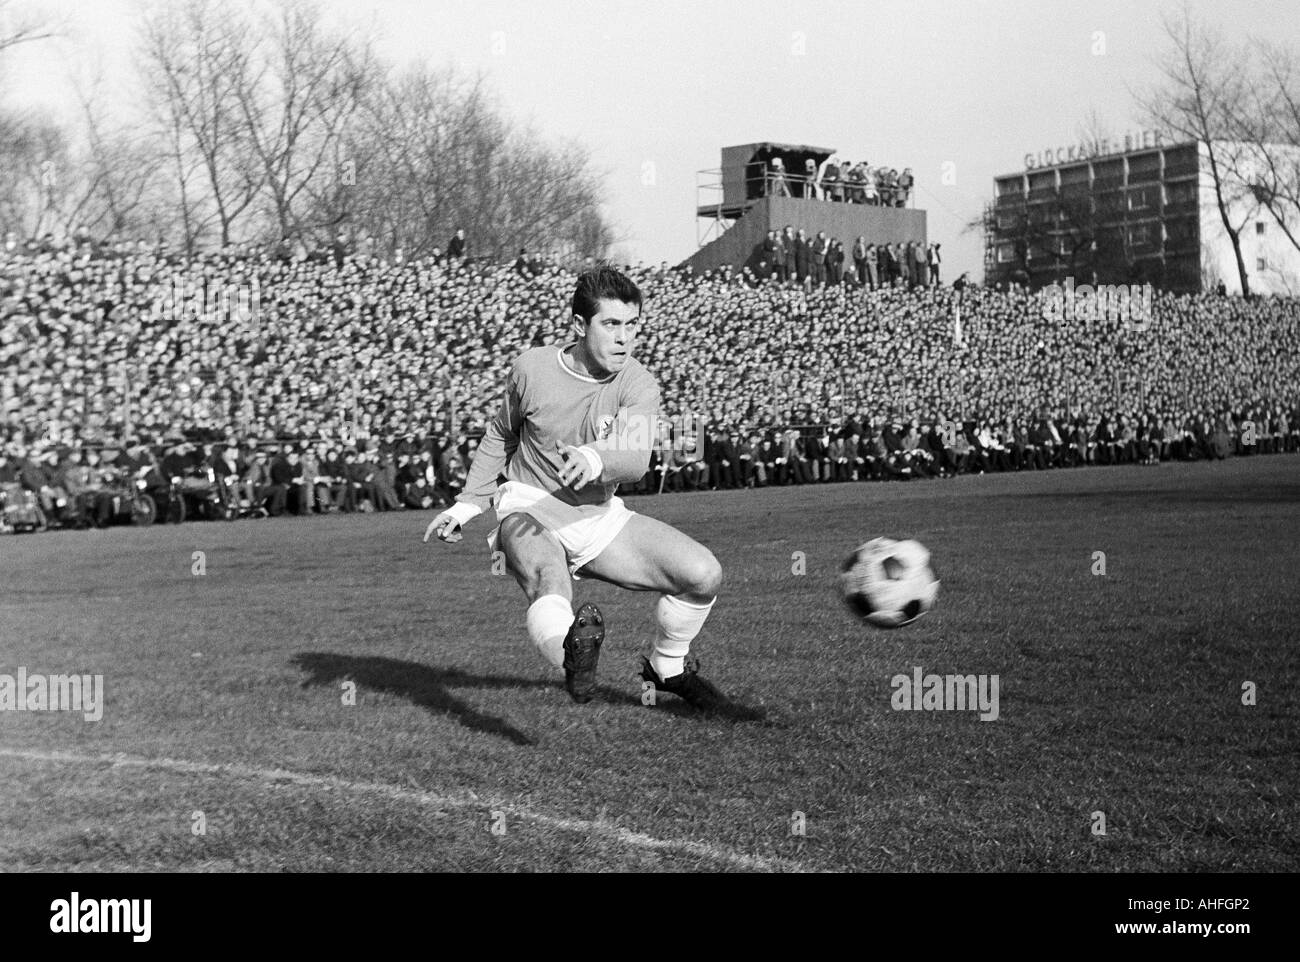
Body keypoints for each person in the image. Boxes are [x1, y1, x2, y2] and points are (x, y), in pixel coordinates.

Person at [423, 268, 733, 711]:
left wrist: (592, 459)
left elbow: (636, 459)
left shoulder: (638, 382)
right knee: (550, 579)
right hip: (529, 504)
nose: (624, 338)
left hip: (597, 516)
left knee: (704, 575)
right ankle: (574, 661)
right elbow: (500, 434)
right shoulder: (532, 367)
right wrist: (467, 504)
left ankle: (668, 668)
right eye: (611, 324)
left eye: (632, 325)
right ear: (579, 325)